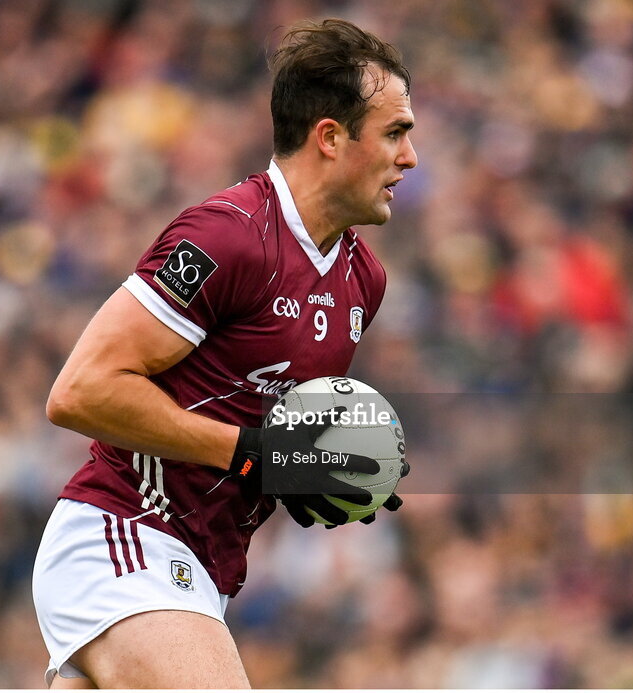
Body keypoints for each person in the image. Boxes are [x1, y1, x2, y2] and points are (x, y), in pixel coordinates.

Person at [33, 17, 417, 689]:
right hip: (124, 533)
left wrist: (325, 467)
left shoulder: (364, 281)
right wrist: (250, 451)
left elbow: (268, 436)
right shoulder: (228, 236)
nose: (409, 157)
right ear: (330, 137)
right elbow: (80, 392)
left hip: (204, 573)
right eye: (394, 132)